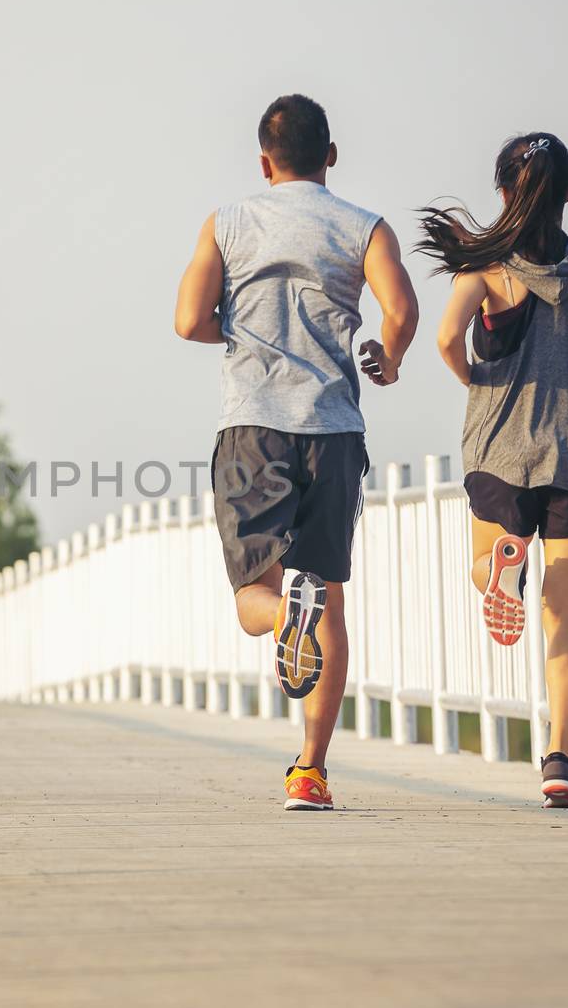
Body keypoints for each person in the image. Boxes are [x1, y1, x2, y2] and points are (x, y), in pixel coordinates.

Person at [175, 93, 419, 812]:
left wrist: (240, 329)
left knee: (256, 590)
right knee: (330, 600)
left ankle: (286, 618)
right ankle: (309, 770)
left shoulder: (226, 224)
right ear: (331, 156)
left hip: (253, 424)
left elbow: (188, 318)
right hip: (334, 429)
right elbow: (400, 310)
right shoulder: (364, 227)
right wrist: (390, 355)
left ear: (263, 160)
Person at [416, 133, 568, 809]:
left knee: (488, 567)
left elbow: (446, 339)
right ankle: (560, 761)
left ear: (505, 191)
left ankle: (504, 561)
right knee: (565, 617)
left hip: (501, 449)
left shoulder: (485, 272)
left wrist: (477, 380)